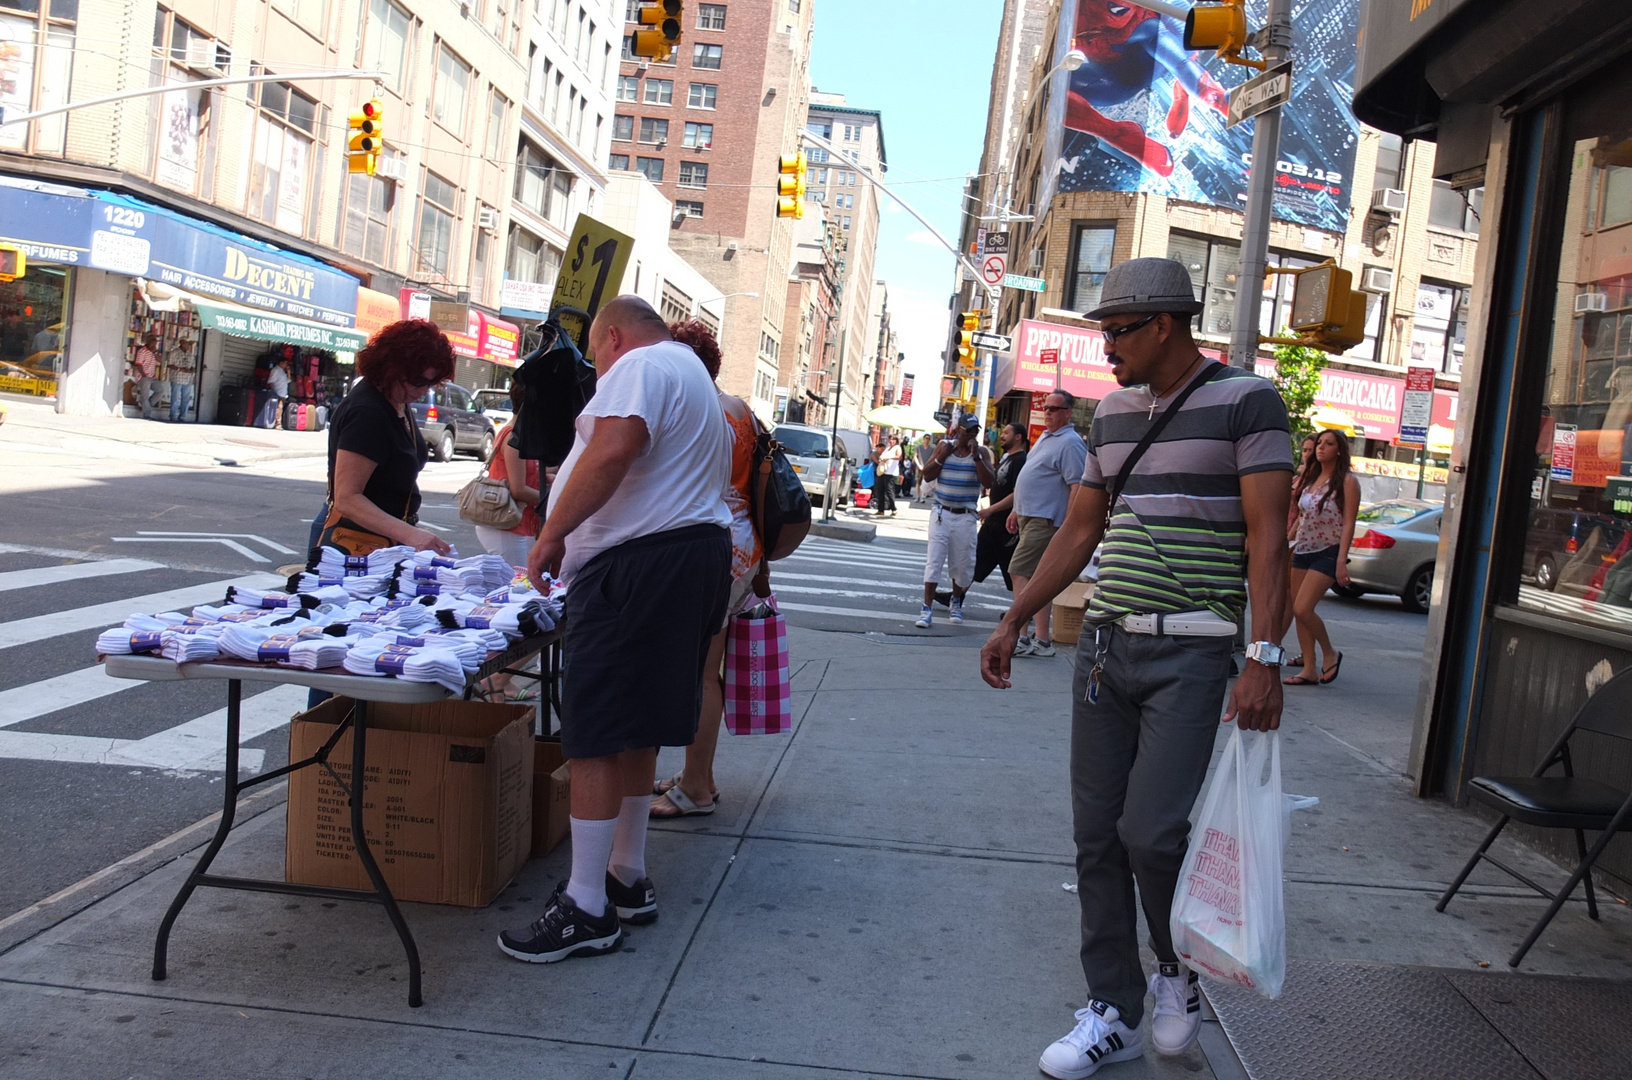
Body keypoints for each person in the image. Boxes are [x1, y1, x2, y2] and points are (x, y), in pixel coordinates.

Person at [977, 257, 1291, 1078]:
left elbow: (1269, 537)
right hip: (1106, 649)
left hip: (1193, 651)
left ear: (1165, 325)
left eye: (1117, 332)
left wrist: (1264, 655)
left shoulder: (1247, 401)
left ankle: (1176, 973)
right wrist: (1014, 615)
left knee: (1151, 835)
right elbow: (1081, 530)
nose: (1106, 349)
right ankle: (1112, 1007)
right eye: (1102, 332)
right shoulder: (1111, 415)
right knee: (1094, 839)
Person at [504, 296, 731, 964]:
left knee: (597, 732)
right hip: (681, 562)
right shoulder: (691, 375)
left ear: (611, 337)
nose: (598, 373)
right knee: (633, 726)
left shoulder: (640, 366)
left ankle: (584, 907)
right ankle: (624, 876)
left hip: (638, 569)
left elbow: (612, 449)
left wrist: (551, 536)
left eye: (597, 356)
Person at [650, 318, 766, 819]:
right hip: (742, 544)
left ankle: (695, 786)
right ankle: (700, 775)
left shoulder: (694, 408)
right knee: (707, 668)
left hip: (711, 543)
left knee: (701, 672)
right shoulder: (743, 411)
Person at [318, 320, 454, 559]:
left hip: (381, 543)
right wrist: (411, 535)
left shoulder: (398, 402)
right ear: (394, 369)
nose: (425, 390)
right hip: (355, 545)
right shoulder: (367, 411)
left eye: (432, 384)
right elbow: (347, 498)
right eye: (420, 381)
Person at [1008, 390, 1089, 660]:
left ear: (1068, 412)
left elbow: (1077, 485)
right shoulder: (1045, 437)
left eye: (1055, 408)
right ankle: (1042, 639)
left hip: (1046, 521)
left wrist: (1069, 524)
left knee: (1019, 571)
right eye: (1047, 407)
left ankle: (1021, 635)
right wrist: (1016, 509)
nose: (1049, 412)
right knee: (1041, 579)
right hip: (1029, 517)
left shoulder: (1070, 443)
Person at [1281, 429, 1359, 686]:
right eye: (1320, 444)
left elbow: (1349, 522)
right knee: (1299, 610)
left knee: (1303, 607)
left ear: (1340, 450)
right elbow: (1303, 516)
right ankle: (1310, 668)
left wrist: (1341, 560)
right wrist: (1288, 540)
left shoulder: (1347, 481)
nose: (1321, 448)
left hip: (1328, 551)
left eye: (1329, 444)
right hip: (1302, 549)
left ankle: (1330, 652)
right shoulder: (1311, 477)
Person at [916, 415, 995, 628]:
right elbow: (927, 475)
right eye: (968, 430)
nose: (971, 434)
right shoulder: (944, 446)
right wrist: (942, 457)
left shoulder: (982, 452)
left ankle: (956, 600)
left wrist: (976, 456)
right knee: (934, 560)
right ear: (958, 430)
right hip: (942, 512)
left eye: (975, 431)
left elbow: (989, 481)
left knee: (962, 564)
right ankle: (926, 607)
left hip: (966, 515)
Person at [472, 382, 544, 570]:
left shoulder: (519, 434)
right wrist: (553, 499)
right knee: (517, 585)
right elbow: (518, 489)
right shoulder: (514, 437)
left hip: (515, 523)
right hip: (506, 525)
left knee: (522, 582)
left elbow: (529, 473)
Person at [974, 423, 1029, 590]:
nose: (1002, 436)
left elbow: (1016, 494)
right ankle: (956, 597)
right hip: (993, 524)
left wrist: (991, 509)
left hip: (1007, 527)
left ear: (1018, 436)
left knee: (1014, 571)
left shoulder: (1020, 460)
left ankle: (1022, 610)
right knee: (976, 561)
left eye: (1006, 433)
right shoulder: (1008, 458)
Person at [133, 333, 163, 420]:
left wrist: (155, 352)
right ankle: (147, 414)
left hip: (152, 377)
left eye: (156, 343)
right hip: (144, 376)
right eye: (153, 342)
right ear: (148, 342)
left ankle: (144, 405)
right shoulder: (142, 351)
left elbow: (161, 360)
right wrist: (144, 375)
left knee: (160, 391)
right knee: (145, 395)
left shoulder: (153, 352)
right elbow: (138, 364)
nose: (154, 344)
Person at [166, 340, 197, 423]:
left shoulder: (190, 354)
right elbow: (169, 364)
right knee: (175, 398)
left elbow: (194, 366)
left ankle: (183, 416)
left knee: (186, 399)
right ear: (182, 343)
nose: (188, 345)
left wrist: (191, 370)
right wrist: (180, 369)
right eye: (187, 343)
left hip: (188, 379)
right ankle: (173, 416)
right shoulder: (174, 353)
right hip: (177, 378)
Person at [875, 435, 902, 516]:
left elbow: (899, 457)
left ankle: (894, 509)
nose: (891, 441)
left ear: (896, 440)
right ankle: (881, 509)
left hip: (890, 472)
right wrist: (881, 458)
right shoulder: (887, 448)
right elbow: (881, 455)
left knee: (889, 490)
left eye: (893, 439)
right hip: (883, 471)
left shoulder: (897, 447)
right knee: (880, 490)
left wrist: (888, 458)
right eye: (890, 439)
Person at [267, 357, 291, 428]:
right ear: (281, 363)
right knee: (279, 408)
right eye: (285, 363)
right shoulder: (275, 370)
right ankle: (278, 424)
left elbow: (288, 381)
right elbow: (271, 381)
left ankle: (278, 423)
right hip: (277, 392)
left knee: (280, 409)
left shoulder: (283, 371)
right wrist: (273, 391)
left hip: (283, 393)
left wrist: (288, 372)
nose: (286, 365)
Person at [914, 433, 936, 503]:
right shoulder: (919, 447)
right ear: (923, 439)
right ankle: (917, 496)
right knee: (918, 482)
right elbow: (915, 456)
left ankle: (923, 497)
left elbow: (933, 457)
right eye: (926, 438)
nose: (927, 440)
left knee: (925, 482)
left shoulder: (932, 448)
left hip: (927, 467)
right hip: (919, 467)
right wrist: (919, 465)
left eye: (929, 439)